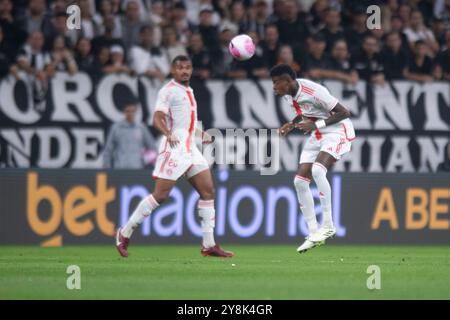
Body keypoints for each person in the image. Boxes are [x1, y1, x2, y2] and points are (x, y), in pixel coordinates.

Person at [116, 55, 234, 258]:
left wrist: (200, 134)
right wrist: (167, 133)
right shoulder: (168, 91)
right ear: (173, 71)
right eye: (180, 68)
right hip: (174, 147)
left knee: (208, 192)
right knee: (160, 195)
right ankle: (124, 233)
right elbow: (157, 118)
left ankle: (209, 244)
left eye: (188, 67)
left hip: (190, 149)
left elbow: (186, 123)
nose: (185, 71)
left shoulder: (189, 91)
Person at [270, 64, 355, 253]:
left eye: (276, 83)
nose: (274, 87)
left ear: (288, 81)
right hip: (317, 134)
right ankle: (314, 232)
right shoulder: (288, 96)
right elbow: (305, 114)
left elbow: (344, 112)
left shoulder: (314, 90)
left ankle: (329, 225)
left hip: (337, 131)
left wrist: (316, 126)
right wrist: (291, 125)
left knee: (317, 170)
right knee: (300, 182)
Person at [103, 101, 157, 169]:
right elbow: (108, 149)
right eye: (128, 111)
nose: (130, 114)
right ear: (124, 112)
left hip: (138, 169)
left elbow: (152, 147)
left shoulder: (141, 128)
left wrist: (148, 164)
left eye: (133, 111)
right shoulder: (116, 128)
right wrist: (106, 166)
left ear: (136, 112)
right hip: (120, 169)